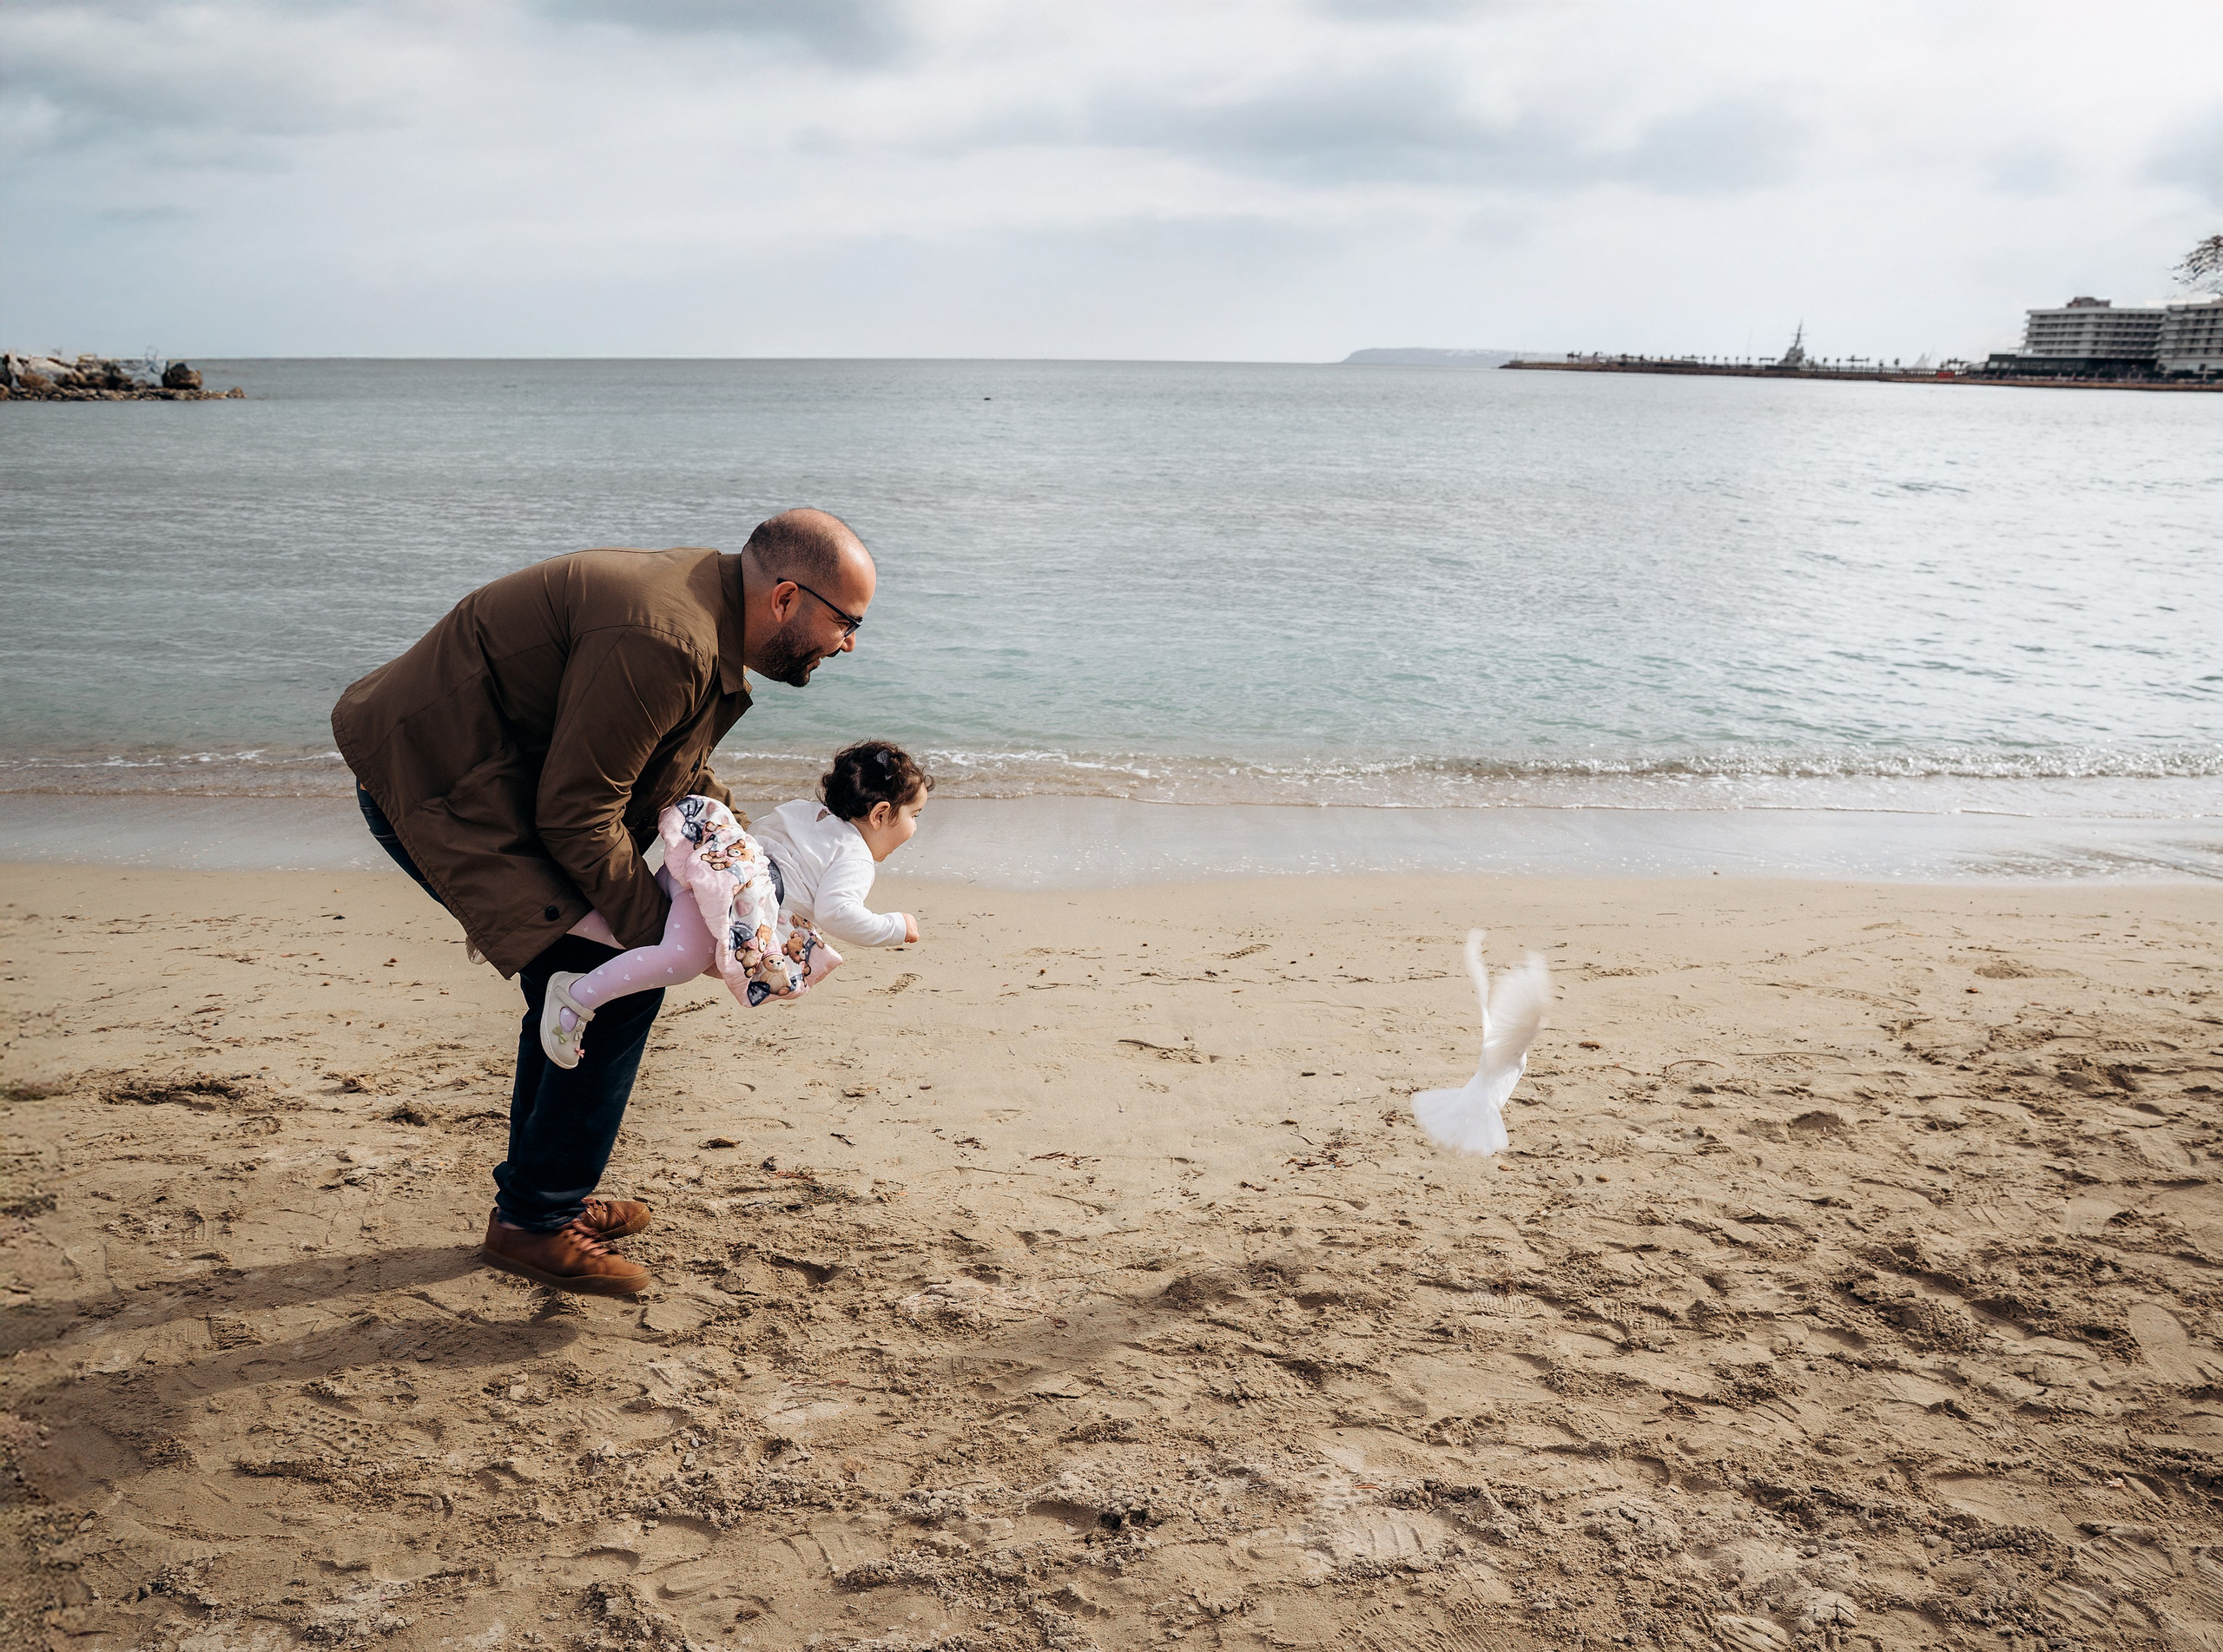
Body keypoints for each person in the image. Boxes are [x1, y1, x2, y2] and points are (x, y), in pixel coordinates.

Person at [333, 510, 876, 1296]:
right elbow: (577, 813)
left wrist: (751, 872)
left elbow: (664, 768)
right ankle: (533, 1221)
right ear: (787, 597)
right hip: (435, 779)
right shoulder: (670, 639)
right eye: (848, 622)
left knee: (586, 980)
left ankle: (536, 1198)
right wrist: (663, 938)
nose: (850, 643)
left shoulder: (703, 618)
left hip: (500, 775)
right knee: (614, 981)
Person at [539, 740, 931, 1067]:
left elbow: (757, 834)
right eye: (914, 815)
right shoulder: (855, 856)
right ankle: (575, 999)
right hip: (727, 891)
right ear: (881, 814)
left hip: (706, 865)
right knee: (684, 961)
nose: (915, 827)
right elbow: (837, 912)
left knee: (647, 933)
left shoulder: (808, 812)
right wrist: (895, 926)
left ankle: (541, 916)